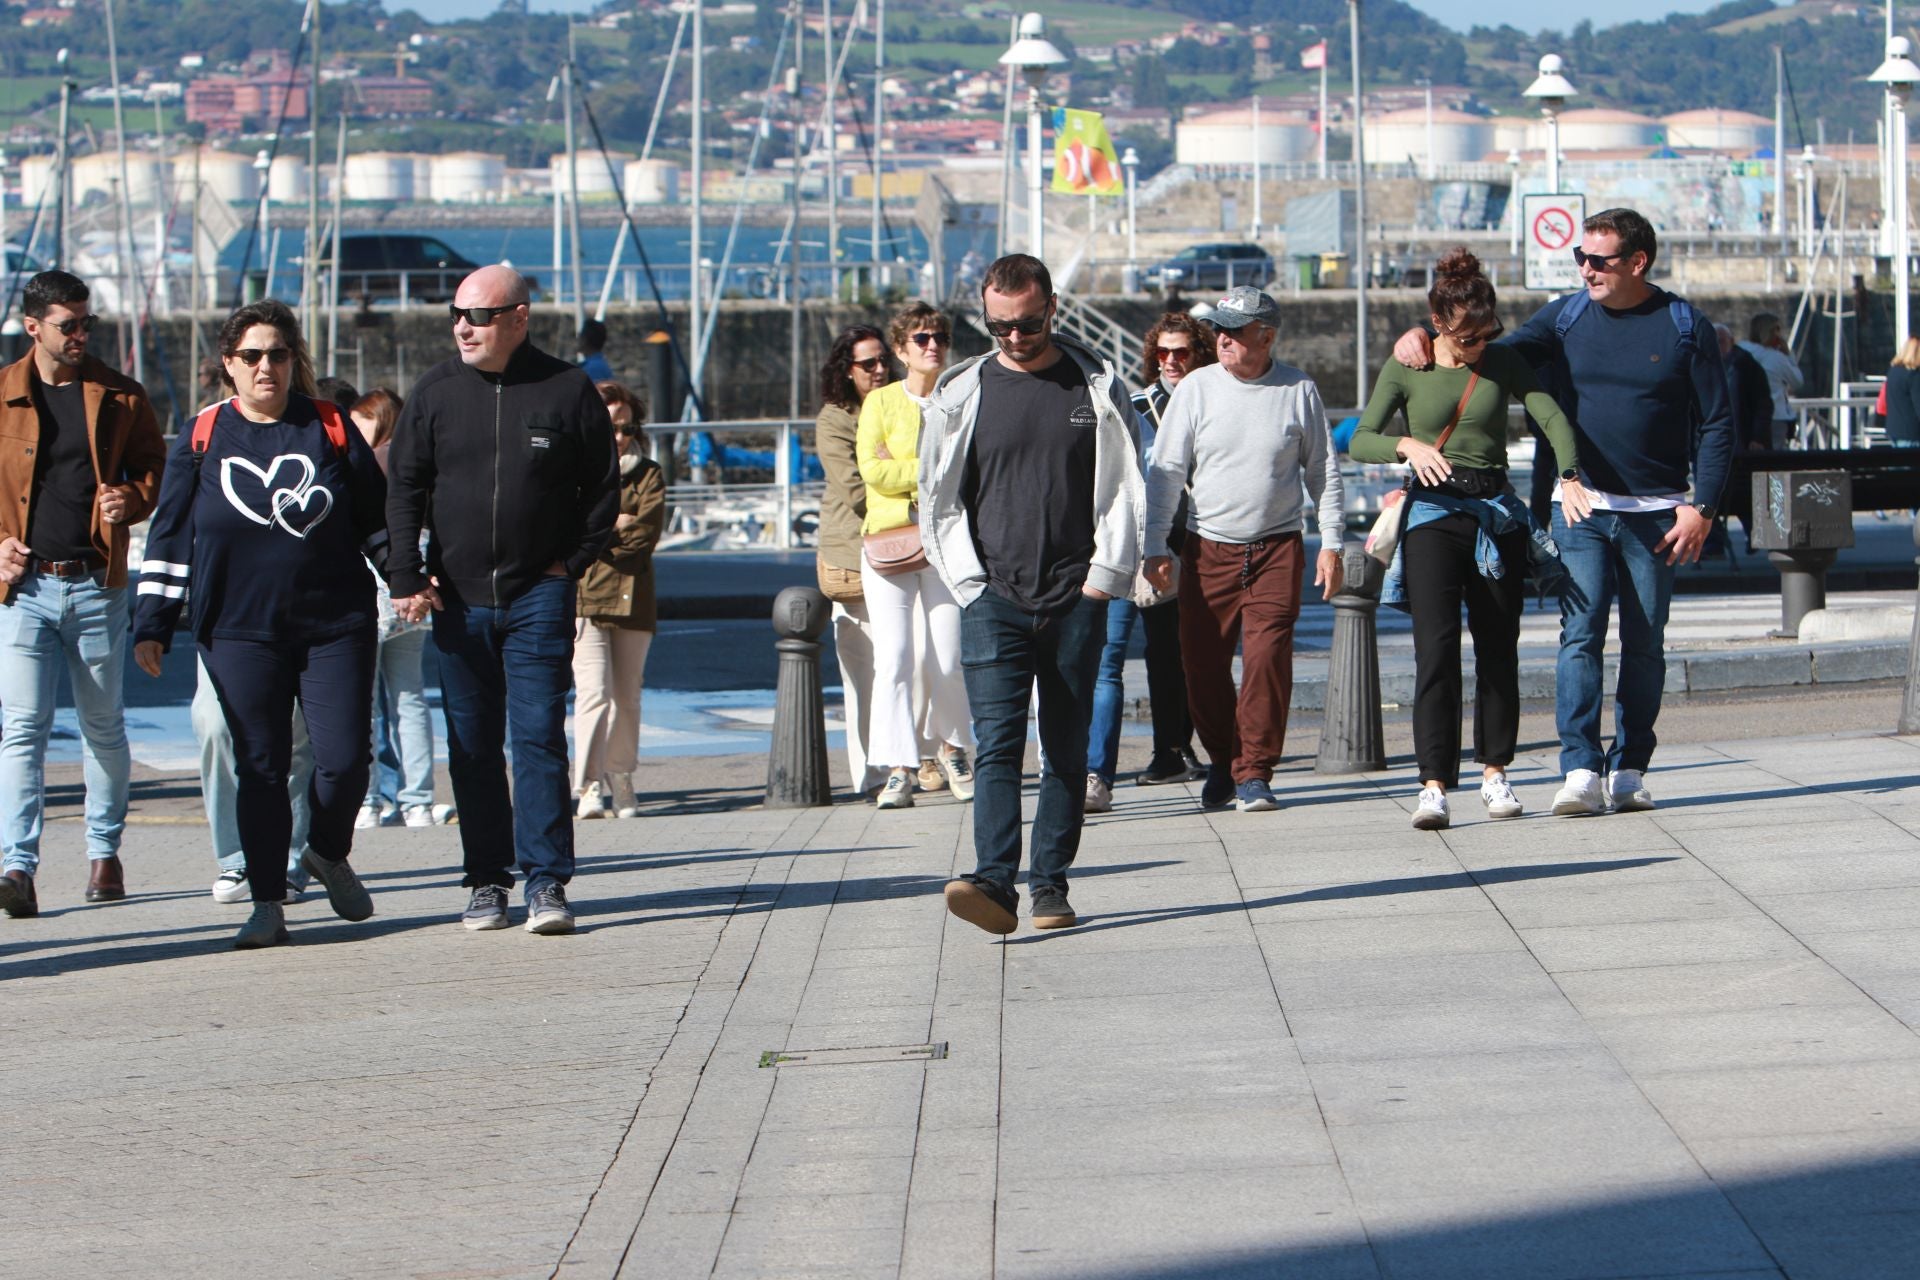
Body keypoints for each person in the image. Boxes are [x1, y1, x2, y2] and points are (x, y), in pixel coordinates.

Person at [1392, 206, 1733, 817]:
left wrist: (1701, 506)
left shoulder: (1685, 325)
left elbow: (1717, 423)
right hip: (1578, 507)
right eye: (1580, 258)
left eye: (1598, 260)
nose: (1585, 269)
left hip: (1658, 513)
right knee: (1579, 637)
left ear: (1637, 262)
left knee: (1646, 643)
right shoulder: (1568, 317)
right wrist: (1422, 336)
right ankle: (1579, 767)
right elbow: (1488, 353)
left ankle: (1629, 766)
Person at [132, 299, 386, 949]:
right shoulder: (202, 436)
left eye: (278, 354)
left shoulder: (327, 425)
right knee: (262, 767)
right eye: (251, 356)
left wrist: (412, 581)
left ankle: (327, 851)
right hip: (239, 631)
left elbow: (374, 518)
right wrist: (153, 622)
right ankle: (267, 903)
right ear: (228, 366)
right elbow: (169, 537)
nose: (266, 367)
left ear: (293, 360)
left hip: (335, 623)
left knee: (345, 761)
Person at [386, 266, 617, 935]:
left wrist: (567, 566)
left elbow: (603, 491)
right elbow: (402, 488)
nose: (463, 326)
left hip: (537, 594)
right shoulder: (433, 392)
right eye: (455, 314)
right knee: (471, 745)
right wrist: (405, 573)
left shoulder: (566, 389)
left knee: (538, 738)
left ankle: (547, 882)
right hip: (455, 598)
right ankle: (487, 879)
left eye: (479, 316)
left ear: (519, 318)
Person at [921, 254, 1144, 936]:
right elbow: (937, 499)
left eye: (1026, 323)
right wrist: (969, 582)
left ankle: (1050, 883)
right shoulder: (962, 393)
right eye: (998, 326)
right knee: (996, 744)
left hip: (1077, 592)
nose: (1014, 337)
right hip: (992, 595)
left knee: (1066, 746)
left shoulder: (1098, 387)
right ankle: (993, 881)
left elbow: (1127, 489)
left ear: (1052, 308)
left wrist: (1104, 576)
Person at [1350, 249, 1590, 830]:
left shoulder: (1501, 362)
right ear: (1438, 325)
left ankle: (1495, 773)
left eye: (1488, 333)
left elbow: (1552, 417)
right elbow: (1360, 440)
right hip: (1433, 515)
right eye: (1467, 336)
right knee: (1435, 652)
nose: (1479, 344)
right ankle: (1433, 785)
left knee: (1497, 648)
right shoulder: (1408, 366)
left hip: (1494, 514)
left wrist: (1571, 473)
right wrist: (1406, 447)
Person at [0, 270, 166, 919]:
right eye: (69, 324)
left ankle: (104, 852)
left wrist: (133, 497)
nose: (81, 335)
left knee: (102, 725)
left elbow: (156, 468)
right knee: (22, 730)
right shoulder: (3, 394)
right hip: (23, 589)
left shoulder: (119, 394)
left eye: (87, 323)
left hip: (97, 583)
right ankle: (17, 866)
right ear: (33, 326)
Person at [1142, 286, 1346, 814]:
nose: (1222, 338)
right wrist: (1154, 545)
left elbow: (1324, 471)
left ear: (1267, 336)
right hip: (1208, 548)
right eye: (1219, 329)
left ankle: (1254, 771)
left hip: (1278, 547)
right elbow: (1166, 474)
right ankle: (1224, 761)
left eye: (1234, 330)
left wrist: (1334, 543)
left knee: (1266, 661)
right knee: (1202, 668)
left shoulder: (1298, 389)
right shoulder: (1197, 389)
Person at [1084, 313, 1213, 813]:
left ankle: (1174, 749)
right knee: (1108, 657)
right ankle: (1098, 773)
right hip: (1132, 544)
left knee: (1177, 653)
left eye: (1181, 351)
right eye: (1163, 353)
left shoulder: (1212, 402)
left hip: (1191, 540)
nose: (1172, 361)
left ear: (1198, 352)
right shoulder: (1134, 407)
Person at [857, 301, 974, 810]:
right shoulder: (880, 403)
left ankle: (953, 748)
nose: (933, 346)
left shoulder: (961, 399)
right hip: (888, 542)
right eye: (922, 339)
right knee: (895, 659)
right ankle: (900, 767)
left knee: (948, 657)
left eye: (939, 338)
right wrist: (927, 470)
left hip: (945, 539)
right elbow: (873, 471)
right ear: (902, 349)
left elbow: (966, 467)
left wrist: (906, 465)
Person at [573, 380, 667, 819]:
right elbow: (570, 531)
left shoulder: (648, 473)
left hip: (634, 596)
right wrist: (615, 521)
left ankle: (621, 775)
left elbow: (644, 536)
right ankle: (589, 784)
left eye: (628, 428)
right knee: (593, 693)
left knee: (628, 696)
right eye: (612, 426)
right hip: (584, 597)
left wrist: (602, 530)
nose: (620, 437)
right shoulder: (572, 473)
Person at [348, 387, 440, 829]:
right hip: (413, 585)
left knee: (364, 702)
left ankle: (368, 801)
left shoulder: (374, 461)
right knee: (409, 697)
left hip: (376, 586)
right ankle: (418, 798)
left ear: (378, 420)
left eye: (360, 420)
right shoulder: (417, 456)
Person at [813, 325, 892, 799]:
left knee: (903, 662)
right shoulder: (836, 418)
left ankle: (910, 760)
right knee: (863, 670)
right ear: (847, 369)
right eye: (868, 363)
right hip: (855, 553)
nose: (879, 369)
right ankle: (870, 772)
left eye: (883, 360)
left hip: (902, 548)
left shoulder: (897, 405)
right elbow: (855, 486)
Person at [1740, 312, 1803, 450]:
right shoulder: (1777, 358)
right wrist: (1789, 355)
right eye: (1777, 329)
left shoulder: (1741, 351)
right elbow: (1797, 381)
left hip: (1745, 415)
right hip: (1776, 416)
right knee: (1773, 462)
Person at [1716, 325, 1774, 453]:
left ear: (1731, 341)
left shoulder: (1748, 367)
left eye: (1720, 341)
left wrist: (1758, 438)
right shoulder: (1701, 367)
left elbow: (1763, 406)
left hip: (1741, 440)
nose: (1715, 346)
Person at [1882, 337, 1920, 447]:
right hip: (1912, 433)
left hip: (1894, 429)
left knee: (1898, 462)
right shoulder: (1914, 375)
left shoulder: (1894, 371)